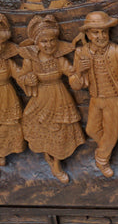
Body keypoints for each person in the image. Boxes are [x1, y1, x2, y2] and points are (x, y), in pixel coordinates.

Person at [71, 11, 118, 178]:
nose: (101, 36)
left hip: (113, 99)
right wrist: (79, 72)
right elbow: (75, 85)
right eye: (96, 32)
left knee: (111, 134)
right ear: (88, 34)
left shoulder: (116, 50)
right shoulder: (81, 53)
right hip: (95, 99)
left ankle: (102, 159)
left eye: (104, 31)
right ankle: (108, 146)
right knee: (91, 130)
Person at [19, 15, 84, 184]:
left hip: (59, 97)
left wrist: (78, 69)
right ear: (36, 43)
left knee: (60, 130)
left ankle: (57, 164)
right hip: (40, 98)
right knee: (37, 124)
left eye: (52, 40)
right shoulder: (31, 60)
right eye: (44, 42)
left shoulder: (58, 59)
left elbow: (71, 72)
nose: (49, 45)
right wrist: (27, 79)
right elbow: (22, 76)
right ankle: (47, 155)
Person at [0, 14, 25, 164]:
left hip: (7, 94)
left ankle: (4, 150)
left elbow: (19, 74)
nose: (1, 47)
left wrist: (27, 78)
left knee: (10, 125)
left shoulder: (6, 62)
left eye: (3, 43)